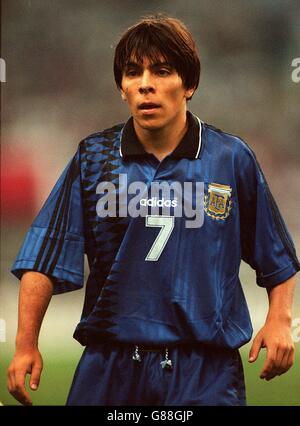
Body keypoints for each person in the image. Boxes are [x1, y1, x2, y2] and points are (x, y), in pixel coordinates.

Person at [7, 15, 299, 406]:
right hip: (110, 366)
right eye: (133, 73)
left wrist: (279, 319)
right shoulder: (94, 158)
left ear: (189, 84)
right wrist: (26, 343)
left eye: (162, 71)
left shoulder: (230, 158)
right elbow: (44, 256)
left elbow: (276, 258)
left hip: (205, 372)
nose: (146, 83)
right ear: (122, 88)